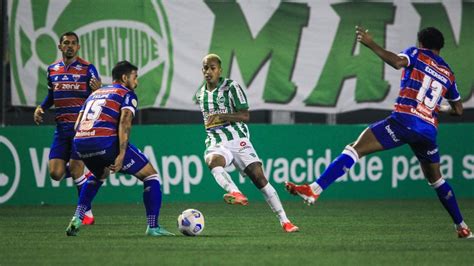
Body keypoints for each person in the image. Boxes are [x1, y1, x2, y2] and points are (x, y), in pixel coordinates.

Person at [285, 26, 472, 239]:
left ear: (421, 43)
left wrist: (370, 43)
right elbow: (458, 110)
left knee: (355, 150)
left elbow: (397, 62)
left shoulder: (417, 54)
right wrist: (439, 108)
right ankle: (462, 227)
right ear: (440, 47)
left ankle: (314, 190)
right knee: (437, 180)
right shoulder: (448, 73)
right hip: (428, 131)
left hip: (405, 120)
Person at [65, 60, 174, 237]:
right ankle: (153, 227)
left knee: (98, 174)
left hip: (80, 142)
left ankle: (77, 217)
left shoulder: (96, 93)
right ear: (125, 77)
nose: (136, 82)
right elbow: (124, 121)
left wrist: (82, 148)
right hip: (104, 142)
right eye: (135, 77)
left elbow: (77, 124)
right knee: (151, 175)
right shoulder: (126, 94)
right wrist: (121, 153)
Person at [196, 54, 299, 233]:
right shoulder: (201, 94)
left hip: (238, 139)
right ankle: (235, 192)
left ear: (220, 70)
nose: (208, 71)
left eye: (212, 68)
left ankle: (285, 221)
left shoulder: (231, 87)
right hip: (216, 141)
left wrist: (222, 116)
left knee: (259, 178)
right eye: (205, 68)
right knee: (213, 161)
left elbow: (245, 115)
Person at [33, 31, 101, 225]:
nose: (70, 46)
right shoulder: (52, 70)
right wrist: (41, 107)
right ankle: (86, 178)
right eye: (66, 43)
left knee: (76, 167)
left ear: (78, 47)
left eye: (73, 43)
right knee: (55, 173)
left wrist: (98, 90)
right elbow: (52, 95)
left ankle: (85, 212)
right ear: (60, 46)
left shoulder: (88, 69)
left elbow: (99, 94)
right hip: (61, 128)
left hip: (81, 127)